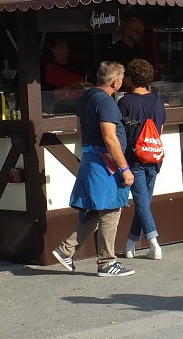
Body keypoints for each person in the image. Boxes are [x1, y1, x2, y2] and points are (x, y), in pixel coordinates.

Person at [52, 61, 135, 277]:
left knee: (97, 209)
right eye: (121, 80)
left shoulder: (87, 97)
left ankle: (65, 250)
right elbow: (110, 137)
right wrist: (124, 167)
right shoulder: (105, 102)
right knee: (110, 209)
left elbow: (80, 131)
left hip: (91, 156)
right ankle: (107, 262)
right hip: (105, 161)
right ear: (116, 82)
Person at [118, 59, 166, 260]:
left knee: (142, 203)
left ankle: (155, 244)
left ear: (130, 78)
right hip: (154, 156)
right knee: (143, 202)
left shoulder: (125, 102)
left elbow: (119, 132)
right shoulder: (157, 100)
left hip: (134, 158)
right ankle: (130, 244)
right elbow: (160, 128)